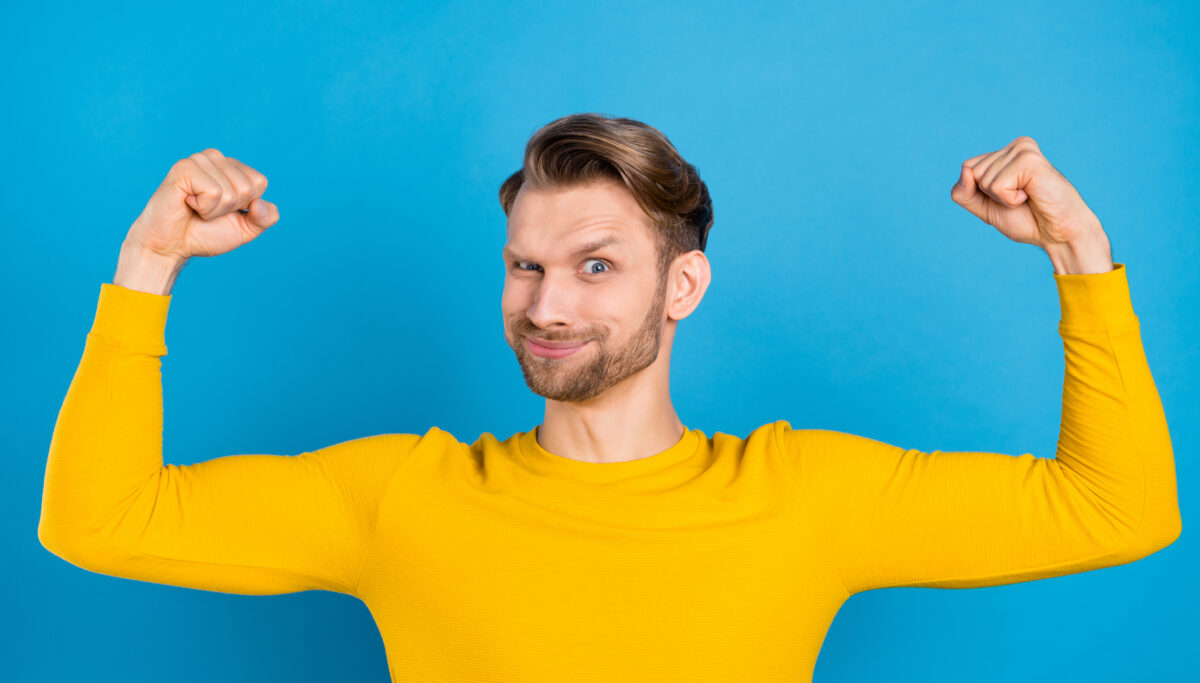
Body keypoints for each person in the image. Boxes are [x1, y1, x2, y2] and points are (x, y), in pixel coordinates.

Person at [38, 113, 1181, 683]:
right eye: (525, 263)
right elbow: (97, 521)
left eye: (595, 264)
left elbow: (1117, 510)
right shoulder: (399, 494)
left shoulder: (810, 494)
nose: (546, 303)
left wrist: (1080, 255)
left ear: (683, 284)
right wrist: (149, 264)